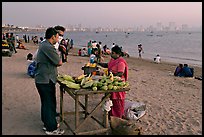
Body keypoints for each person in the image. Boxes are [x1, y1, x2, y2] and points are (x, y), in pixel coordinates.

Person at [34, 27, 64, 135]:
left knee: (46, 102)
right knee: (49, 103)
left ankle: (47, 123)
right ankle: (51, 128)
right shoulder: (48, 47)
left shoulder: (44, 44)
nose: (58, 38)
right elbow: (58, 62)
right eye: (57, 36)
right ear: (52, 37)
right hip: (45, 80)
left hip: (44, 78)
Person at [98, 45, 128, 119]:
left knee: (117, 102)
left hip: (118, 83)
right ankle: (111, 116)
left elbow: (120, 73)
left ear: (117, 54)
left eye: (112, 53)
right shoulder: (113, 60)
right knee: (110, 101)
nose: (111, 54)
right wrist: (98, 63)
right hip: (111, 82)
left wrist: (108, 74)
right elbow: (107, 65)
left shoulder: (121, 62)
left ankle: (118, 117)